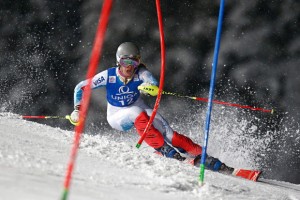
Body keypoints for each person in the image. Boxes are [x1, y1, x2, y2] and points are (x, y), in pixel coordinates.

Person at [70, 42, 233, 173]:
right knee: (137, 113)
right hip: (117, 115)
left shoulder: (140, 72)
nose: (129, 67)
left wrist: (150, 87)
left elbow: (153, 84)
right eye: (125, 62)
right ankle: (165, 150)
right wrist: (77, 110)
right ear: (118, 61)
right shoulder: (109, 75)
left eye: (133, 62)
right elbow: (81, 87)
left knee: (168, 132)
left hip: (137, 106)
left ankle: (208, 159)